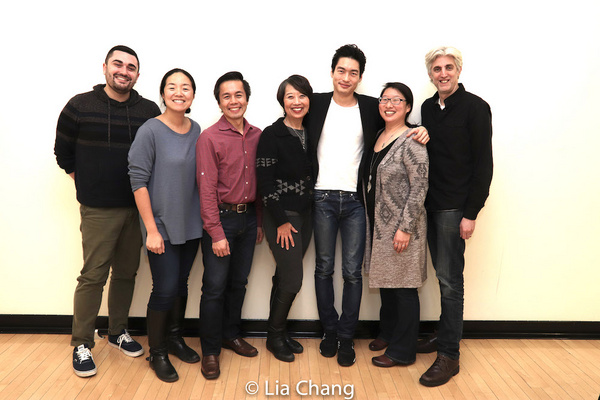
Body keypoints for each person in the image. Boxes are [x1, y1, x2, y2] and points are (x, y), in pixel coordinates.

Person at [305, 44, 429, 367]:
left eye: (353, 72)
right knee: (323, 268)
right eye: (341, 71)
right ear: (332, 72)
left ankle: (346, 336)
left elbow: (400, 123)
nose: (346, 77)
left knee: (353, 273)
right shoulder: (315, 103)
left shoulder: (372, 107)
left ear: (360, 77)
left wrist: (422, 129)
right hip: (322, 198)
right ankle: (328, 332)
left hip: (357, 204)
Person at [54, 45, 160, 378]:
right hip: (98, 209)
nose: (124, 71)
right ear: (105, 68)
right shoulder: (79, 106)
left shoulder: (148, 110)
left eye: (131, 67)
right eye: (118, 64)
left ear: (137, 75)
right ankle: (82, 343)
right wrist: (87, 183)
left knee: (127, 272)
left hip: (137, 208)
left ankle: (117, 331)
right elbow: (63, 153)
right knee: (93, 276)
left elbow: (157, 154)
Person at [417, 46, 493, 387]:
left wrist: (471, 212)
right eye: (437, 68)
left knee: (451, 282)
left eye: (449, 67)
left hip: (454, 209)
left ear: (458, 71)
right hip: (428, 206)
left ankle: (449, 355)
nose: (443, 73)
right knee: (442, 277)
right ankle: (444, 334)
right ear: (430, 74)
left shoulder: (476, 108)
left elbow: (484, 164)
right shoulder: (428, 108)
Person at [128, 68, 203, 382]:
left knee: (181, 284)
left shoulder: (197, 128)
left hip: (191, 224)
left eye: (185, 87)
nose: (179, 92)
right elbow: (138, 180)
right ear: (163, 94)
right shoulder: (150, 130)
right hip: (160, 225)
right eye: (172, 87)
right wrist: (152, 230)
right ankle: (156, 353)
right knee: (164, 289)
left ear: (193, 96)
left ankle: (174, 338)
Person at [196, 71, 264, 379]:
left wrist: (259, 221)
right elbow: (206, 189)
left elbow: (262, 184)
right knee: (214, 288)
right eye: (227, 96)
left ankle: (230, 333)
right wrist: (216, 233)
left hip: (249, 219)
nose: (233, 101)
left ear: (247, 98)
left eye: (238, 95)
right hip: (221, 220)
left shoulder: (258, 135)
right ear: (219, 102)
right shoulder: (209, 137)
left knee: (239, 283)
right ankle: (210, 351)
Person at [363, 82, 428, 368]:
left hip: (403, 227)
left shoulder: (412, 139)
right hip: (379, 226)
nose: (389, 104)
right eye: (384, 99)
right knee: (388, 284)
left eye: (397, 100)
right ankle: (388, 332)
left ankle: (403, 351)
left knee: (404, 288)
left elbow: (420, 185)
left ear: (408, 106)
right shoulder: (380, 135)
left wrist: (405, 227)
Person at [256, 75, 314, 363]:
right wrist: (279, 220)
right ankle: (274, 336)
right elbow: (264, 183)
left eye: (302, 96)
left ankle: (276, 332)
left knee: (283, 275)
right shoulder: (271, 134)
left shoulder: (311, 132)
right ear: (282, 101)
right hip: (282, 217)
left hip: (307, 216)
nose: (297, 101)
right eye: (290, 96)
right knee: (293, 280)